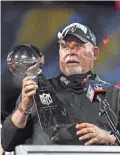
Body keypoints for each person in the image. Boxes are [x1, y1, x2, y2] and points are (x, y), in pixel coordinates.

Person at [1, 23, 120, 152]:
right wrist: (24, 106)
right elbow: (7, 143)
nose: (70, 52)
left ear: (94, 53)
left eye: (78, 46)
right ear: (59, 52)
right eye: (65, 46)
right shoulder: (35, 91)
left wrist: (110, 138)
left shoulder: (113, 96)